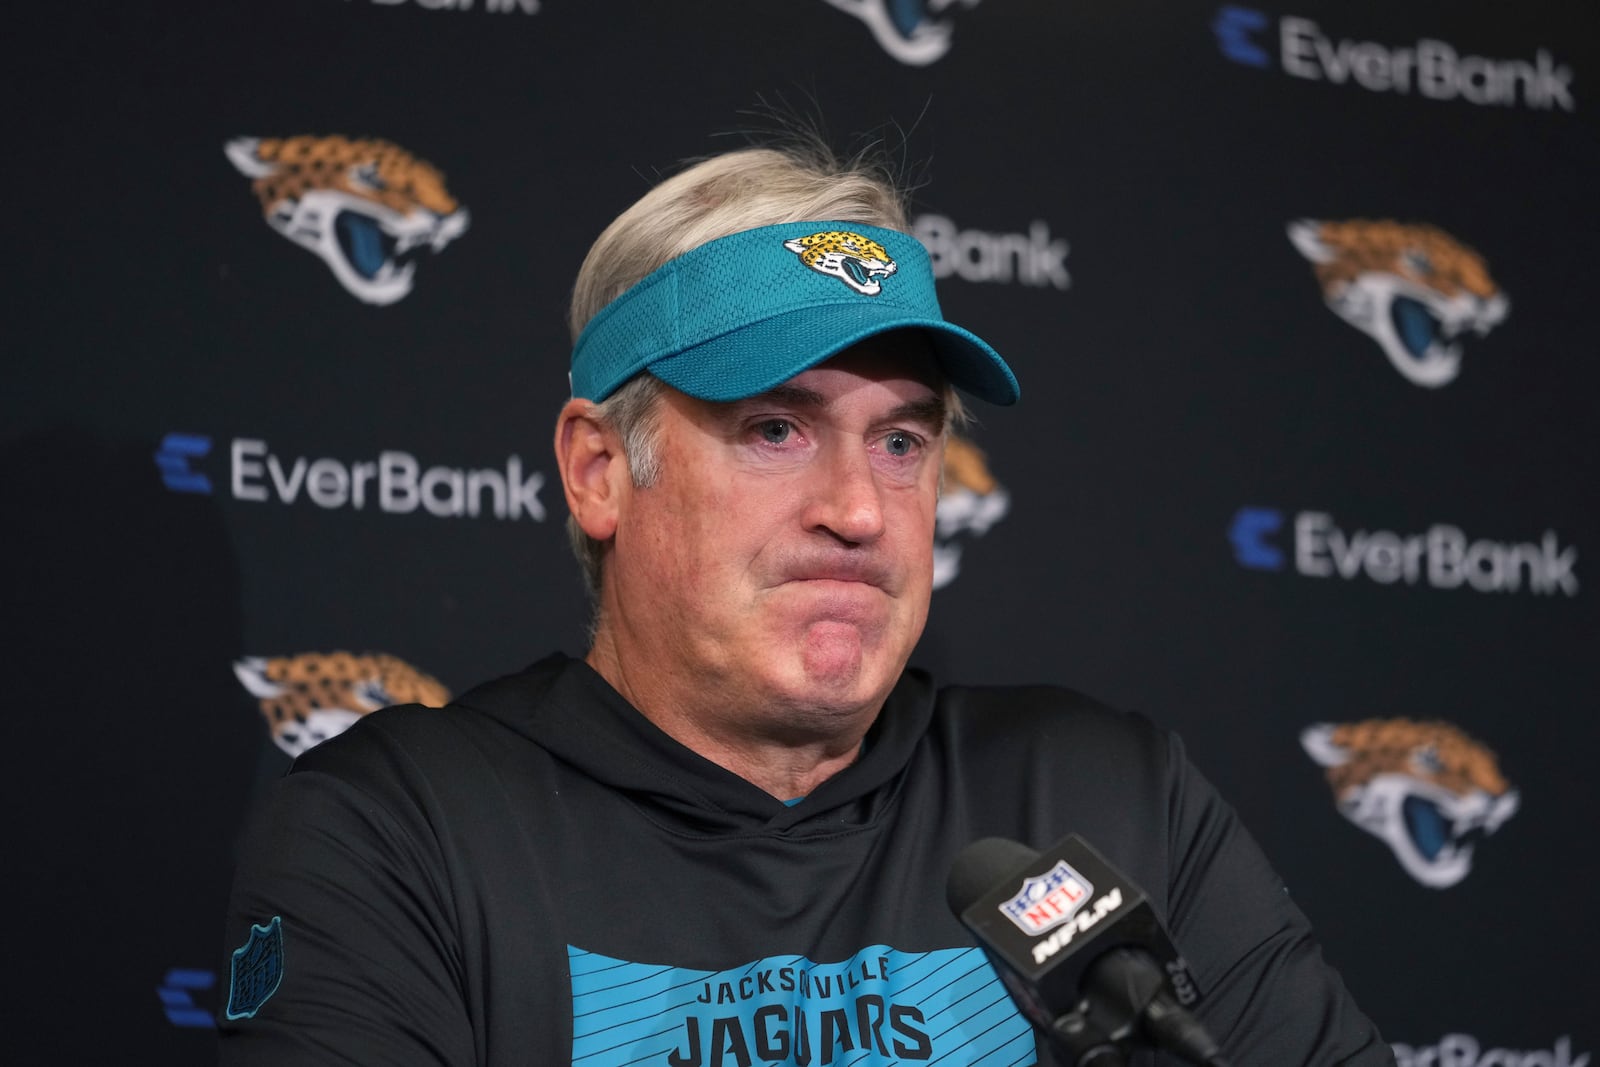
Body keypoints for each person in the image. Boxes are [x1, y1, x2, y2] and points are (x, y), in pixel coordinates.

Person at [218, 141, 1393, 1065]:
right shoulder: (397, 835)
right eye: (773, 428)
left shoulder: (1107, 797)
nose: (860, 509)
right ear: (598, 470)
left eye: (901, 439)